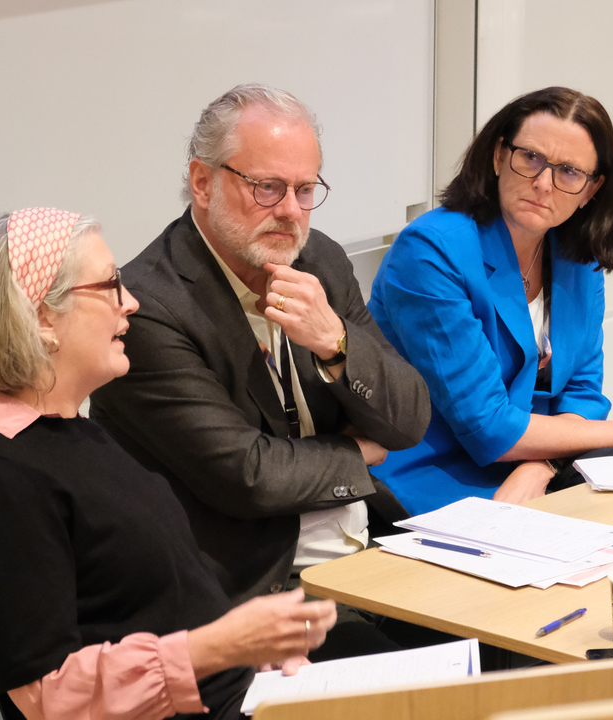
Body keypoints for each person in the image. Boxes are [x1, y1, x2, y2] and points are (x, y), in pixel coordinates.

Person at [0, 209, 338, 720]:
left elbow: (147, 605)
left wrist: (250, 648)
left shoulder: (67, 431)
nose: (132, 302)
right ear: (42, 317)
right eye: (111, 285)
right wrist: (219, 649)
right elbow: (51, 699)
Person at [88, 85, 431, 604]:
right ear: (203, 182)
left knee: (503, 647)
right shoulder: (148, 308)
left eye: (305, 190)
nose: (292, 211)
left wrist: (335, 344)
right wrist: (358, 450)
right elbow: (249, 476)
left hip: (366, 548)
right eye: (268, 188)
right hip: (251, 586)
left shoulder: (319, 261)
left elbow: (407, 419)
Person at [367, 86, 613, 516]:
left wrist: (541, 463)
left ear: (590, 190)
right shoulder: (432, 250)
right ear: (497, 156)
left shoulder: (577, 258)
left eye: (568, 172)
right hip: (437, 475)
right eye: (530, 158)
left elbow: (583, 393)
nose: (543, 184)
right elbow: (485, 425)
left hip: (529, 467)